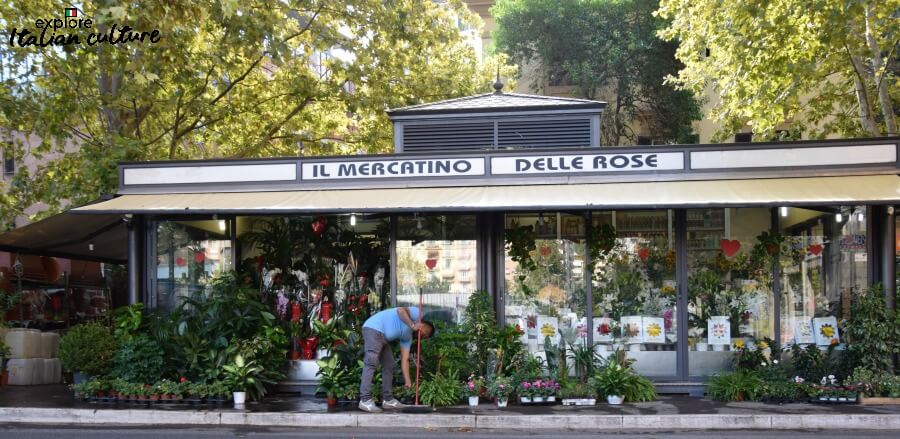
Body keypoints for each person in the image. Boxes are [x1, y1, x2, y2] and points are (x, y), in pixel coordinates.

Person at [358, 306, 434, 412]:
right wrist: (412, 325)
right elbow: (400, 310)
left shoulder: (407, 338)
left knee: (389, 364)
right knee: (371, 363)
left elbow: (405, 359)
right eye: (426, 331)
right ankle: (365, 400)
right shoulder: (418, 314)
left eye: (425, 336)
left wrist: (408, 381)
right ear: (424, 324)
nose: (424, 334)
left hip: (383, 338)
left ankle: (388, 400)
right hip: (373, 328)